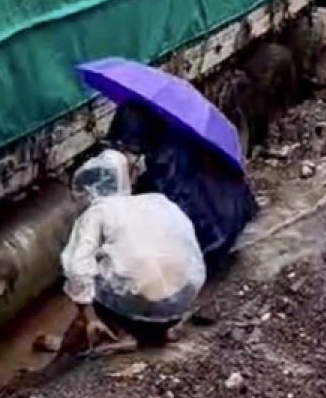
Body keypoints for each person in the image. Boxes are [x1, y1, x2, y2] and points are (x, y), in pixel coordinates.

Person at [60, 151, 206, 351]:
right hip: (182, 299)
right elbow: (187, 241)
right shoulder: (157, 200)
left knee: (91, 268)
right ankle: (162, 330)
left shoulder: (97, 213)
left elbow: (77, 267)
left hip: (134, 313)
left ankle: (122, 333)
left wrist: (84, 314)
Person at [106, 101, 259, 274]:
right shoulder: (174, 134)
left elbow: (175, 207)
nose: (126, 153)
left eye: (128, 146)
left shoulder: (165, 163)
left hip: (217, 232)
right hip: (237, 208)